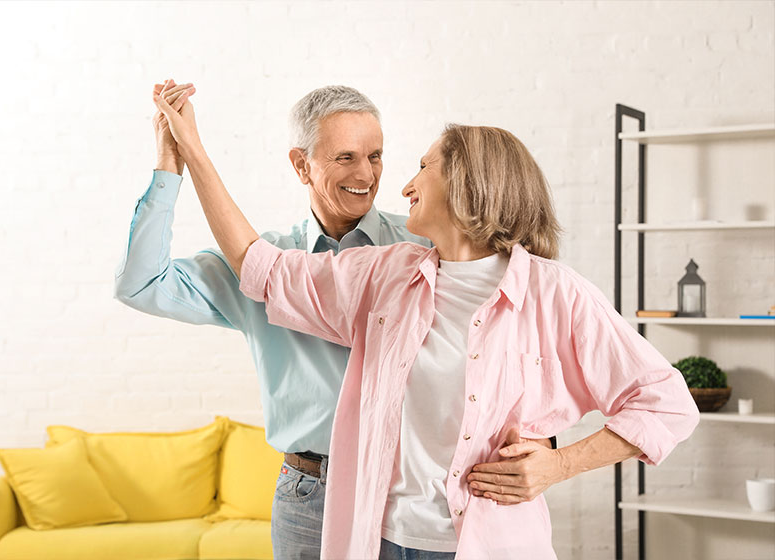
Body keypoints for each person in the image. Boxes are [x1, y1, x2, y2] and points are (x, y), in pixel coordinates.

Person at [152, 86, 700, 559]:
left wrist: (560, 464)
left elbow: (666, 403)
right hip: (379, 539)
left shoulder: (555, 293)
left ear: (466, 185)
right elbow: (261, 268)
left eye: (422, 168)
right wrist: (192, 150)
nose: (404, 185)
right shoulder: (387, 274)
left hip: (486, 543)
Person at [117, 82, 444, 557]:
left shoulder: (423, 247)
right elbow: (140, 283)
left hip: (406, 487)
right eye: (346, 157)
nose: (366, 174)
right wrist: (170, 163)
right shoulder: (258, 264)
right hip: (310, 496)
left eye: (374, 156)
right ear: (301, 165)